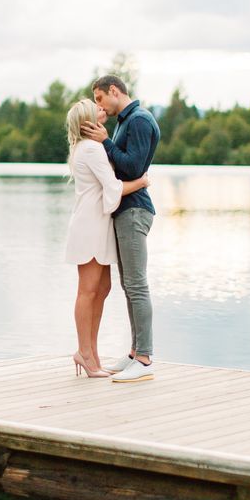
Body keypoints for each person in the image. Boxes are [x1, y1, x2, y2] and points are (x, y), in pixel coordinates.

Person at [80, 75, 160, 383]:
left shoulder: (138, 120)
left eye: (100, 98)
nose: (99, 106)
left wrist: (105, 142)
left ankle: (145, 358)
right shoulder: (126, 120)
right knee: (130, 285)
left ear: (115, 91)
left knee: (137, 285)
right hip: (126, 209)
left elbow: (133, 168)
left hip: (135, 211)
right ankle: (134, 353)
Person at [65, 98, 149, 378]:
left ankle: (93, 355)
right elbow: (112, 188)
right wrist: (141, 182)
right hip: (90, 225)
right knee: (88, 291)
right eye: (97, 109)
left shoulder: (90, 148)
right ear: (89, 122)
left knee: (102, 289)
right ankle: (85, 354)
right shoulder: (91, 149)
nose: (103, 110)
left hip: (97, 224)